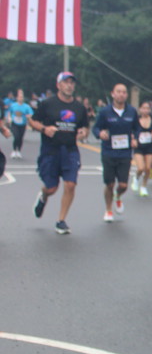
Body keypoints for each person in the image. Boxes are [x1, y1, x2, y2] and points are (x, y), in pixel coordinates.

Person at [28, 71, 90, 235]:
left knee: (70, 184)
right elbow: (33, 121)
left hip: (70, 150)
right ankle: (43, 196)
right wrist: (44, 129)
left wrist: (83, 133)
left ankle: (61, 221)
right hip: (51, 150)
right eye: (66, 82)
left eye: (71, 82)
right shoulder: (47, 104)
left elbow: (85, 127)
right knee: (52, 188)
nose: (69, 85)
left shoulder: (79, 107)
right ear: (58, 85)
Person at [91, 83, 140, 222]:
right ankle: (108, 209)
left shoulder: (131, 111)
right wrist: (100, 134)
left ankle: (118, 196)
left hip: (125, 153)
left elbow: (137, 128)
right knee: (110, 184)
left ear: (127, 95)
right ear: (113, 94)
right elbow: (95, 128)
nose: (121, 94)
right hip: (109, 152)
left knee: (123, 185)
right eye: (118, 92)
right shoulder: (105, 112)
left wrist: (135, 138)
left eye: (124, 92)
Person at [132, 102, 152, 196]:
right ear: (140, 109)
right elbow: (131, 130)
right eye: (143, 108)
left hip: (149, 146)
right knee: (141, 167)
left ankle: (143, 186)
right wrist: (133, 139)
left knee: (147, 168)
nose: (145, 110)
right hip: (139, 146)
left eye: (147, 108)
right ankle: (136, 178)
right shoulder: (136, 119)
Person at [7, 89, 32, 159]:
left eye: (22, 97)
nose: (21, 98)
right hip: (14, 123)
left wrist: (28, 116)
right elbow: (9, 112)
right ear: (17, 98)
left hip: (22, 124)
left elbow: (31, 113)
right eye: (19, 97)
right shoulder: (13, 105)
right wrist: (9, 118)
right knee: (16, 136)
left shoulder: (26, 106)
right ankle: (14, 150)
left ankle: (18, 151)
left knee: (20, 138)